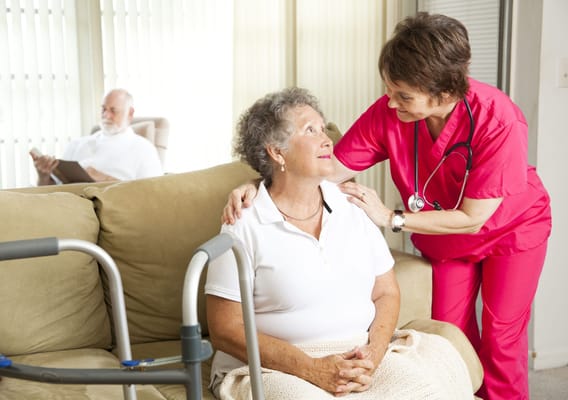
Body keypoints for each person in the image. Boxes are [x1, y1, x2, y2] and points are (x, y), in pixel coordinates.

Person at [222, 13, 552, 400]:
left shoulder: (498, 119)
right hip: (444, 237)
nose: (391, 102)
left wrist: (389, 218)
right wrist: (259, 183)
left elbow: (474, 216)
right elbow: (325, 169)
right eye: (390, 90)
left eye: (404, 95)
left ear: (443, 94)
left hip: (511, 232)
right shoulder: (390, 113)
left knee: (501, 339)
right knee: (447, 335)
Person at [206, 87, 473, 400]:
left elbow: (386, 291)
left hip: (358, 353)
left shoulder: (351, 205)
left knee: (429, 390)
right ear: (277, 152)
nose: (327, 139)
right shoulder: (244, 222)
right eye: (310, 130)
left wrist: (374, 352)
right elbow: (225, 329)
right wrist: (311, 369)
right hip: (276, 367)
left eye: (323, 127)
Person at [30, 88, 162, 185]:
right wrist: (44, 176)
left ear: (130, 113)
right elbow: (53, 193)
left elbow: (150, 194)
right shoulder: (77, 144)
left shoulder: (144, 149)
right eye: (103, 109)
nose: (106, 115)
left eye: (113, 110)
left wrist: (103, 179)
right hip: (68, 205)